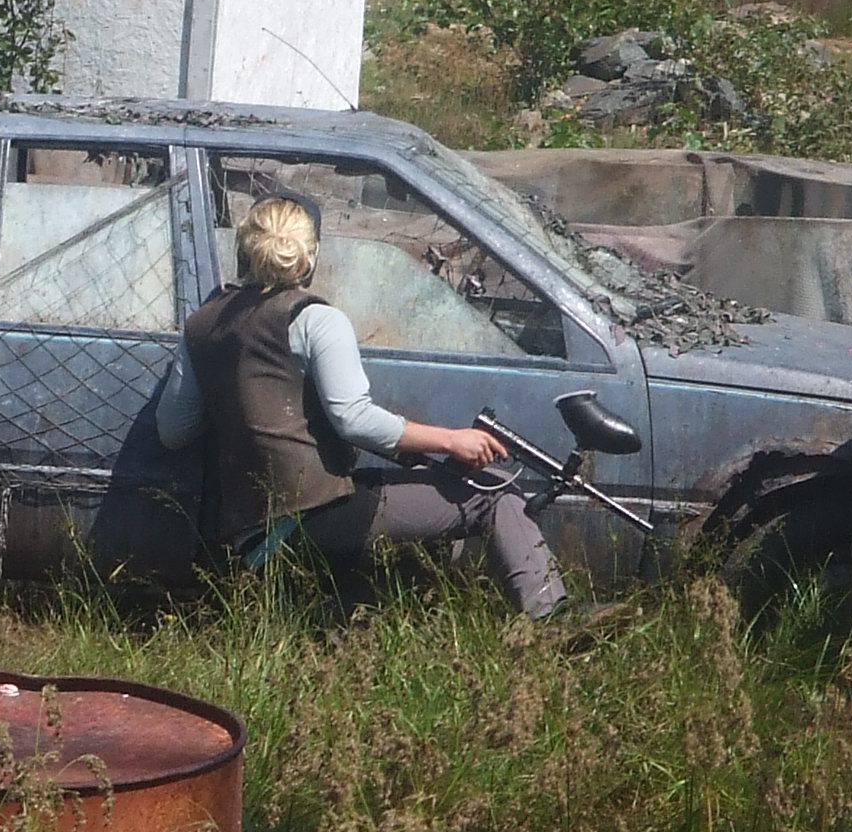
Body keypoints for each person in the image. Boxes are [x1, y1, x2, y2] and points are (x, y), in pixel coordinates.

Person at [156, 194, 573, 618]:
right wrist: (452, 441)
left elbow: (173, 431)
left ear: (244, 248)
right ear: (311, 254)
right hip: (316, 516)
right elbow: (353, 418)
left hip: (246, 533)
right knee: (494, 492)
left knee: (424, 492)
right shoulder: (316, 319)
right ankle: (551, 620)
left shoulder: (203, 324)